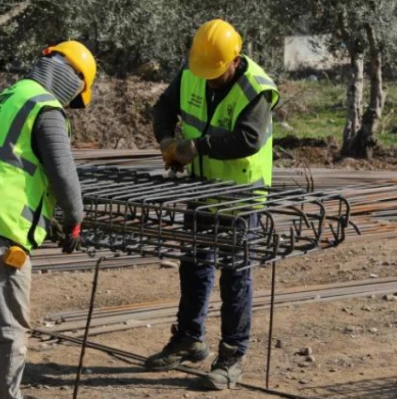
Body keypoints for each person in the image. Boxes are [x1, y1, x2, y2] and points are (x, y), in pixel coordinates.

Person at [0, 41, 96, 399]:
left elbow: (19, 171)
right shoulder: (44, 108)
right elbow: (63, 176)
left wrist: (51, 221)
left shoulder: (0, 101)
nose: (70, 106)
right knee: (10, 331)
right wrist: (74, 221)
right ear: (72, 79)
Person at [146, 19, 279, 390]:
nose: (209, 79)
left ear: (235, 60)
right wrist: (165, 143)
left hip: (240, 198)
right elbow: (163, 107)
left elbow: (249, 138)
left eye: (217, 73)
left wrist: (197, 147)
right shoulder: (193, 71)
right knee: (193, 266)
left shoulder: (257, 88)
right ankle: (189, 338)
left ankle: (232, 356)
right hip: (202, 190)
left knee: (235, 277)